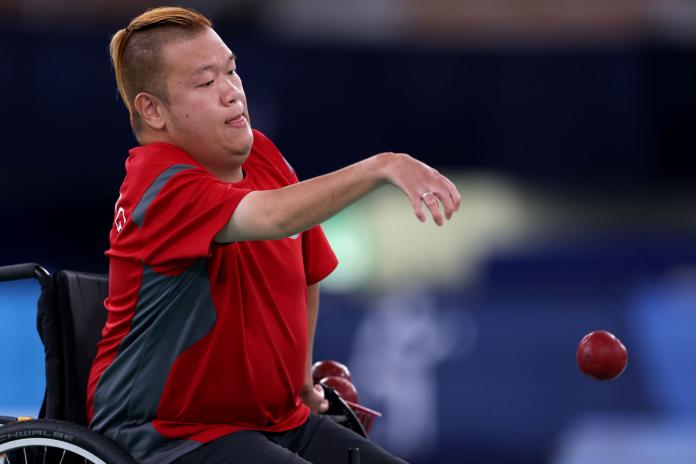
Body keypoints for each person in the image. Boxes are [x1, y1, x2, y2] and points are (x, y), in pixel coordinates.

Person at [86, 6, 461, 464]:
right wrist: (382, 165)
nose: (231, 93)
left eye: (231, 70)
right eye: (205, 83)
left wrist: (301, 379)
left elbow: (307, 267)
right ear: (152, 110)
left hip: (276, 421)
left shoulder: (260, 153)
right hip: (172, 433)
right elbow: (275, 217)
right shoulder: (157, 184)